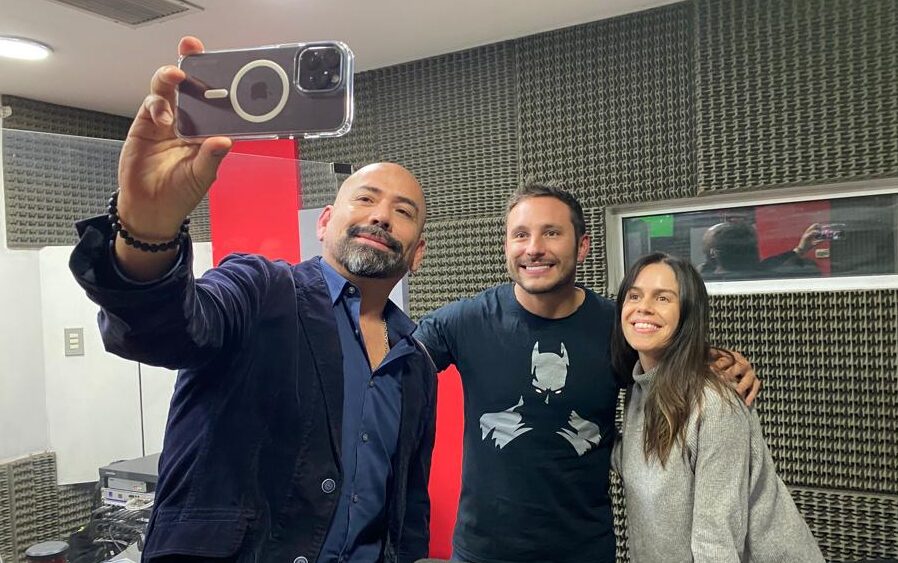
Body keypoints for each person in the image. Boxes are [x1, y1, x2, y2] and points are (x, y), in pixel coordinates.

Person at [69, 36, 436, 563]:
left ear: (417, 253)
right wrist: (146, 231)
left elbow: (407, 507)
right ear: (326, 222)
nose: (381, 215)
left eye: (403, 212)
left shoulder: (415, 363)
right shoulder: (261, 290)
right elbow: (161, 329)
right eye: (364, 198)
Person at [413, 184, 760, 563]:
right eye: (520, 235)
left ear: (582, 246)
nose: (533, 248)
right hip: (483, 553)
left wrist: (715, 360)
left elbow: (672, 359)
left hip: (584, 551)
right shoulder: (467, 321)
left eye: (551, 233)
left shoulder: (618, 328)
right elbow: (389, 363)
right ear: (506, 246)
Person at [610, 252, 824, 562]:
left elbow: (716, 542)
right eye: (634, 296)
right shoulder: (639, 390)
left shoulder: (715, 403)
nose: (643, 307)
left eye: (663, 298)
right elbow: (636, 460)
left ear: (688, 314)